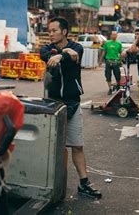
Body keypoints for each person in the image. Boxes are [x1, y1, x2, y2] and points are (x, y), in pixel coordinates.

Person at [40, 17, 102, 199]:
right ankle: (51, 183)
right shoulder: (46, 49)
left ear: (64, 31)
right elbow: (48, 57)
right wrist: (61, 54)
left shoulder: (77, 47)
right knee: (53, 147)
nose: (50, 34)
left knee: (77, 145)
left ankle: (84, 184)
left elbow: (74, 55)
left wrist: (63, 53)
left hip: (73, 102)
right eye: (49, 31)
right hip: (52, 103)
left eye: (54, 30)